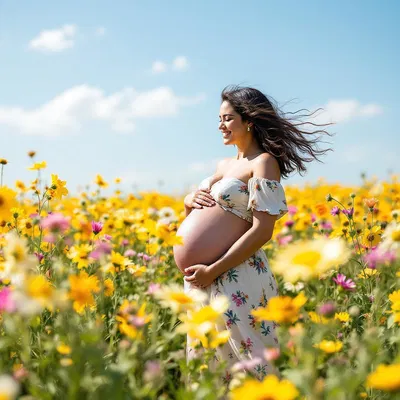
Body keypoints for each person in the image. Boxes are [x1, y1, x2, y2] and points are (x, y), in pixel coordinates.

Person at [181, 85, 332, 385]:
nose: (220, 125)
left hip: (236, 273)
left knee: (252, 364)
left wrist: (213, 270)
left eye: (227, 118)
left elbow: (263, 229)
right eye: (219, 119)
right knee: (208, 367)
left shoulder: (263, 163)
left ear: (248, 120)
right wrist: (188, 202)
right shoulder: (223, 165)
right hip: (202, 279)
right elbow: (200, 219)